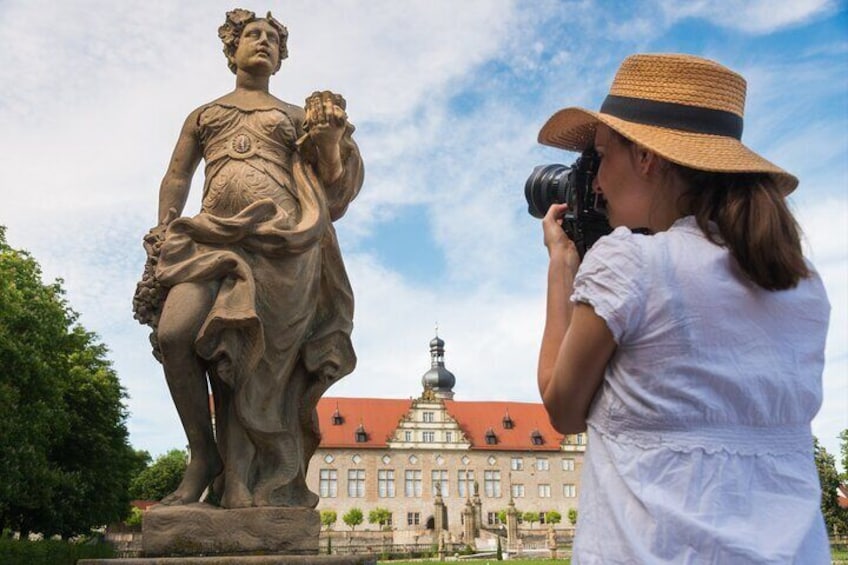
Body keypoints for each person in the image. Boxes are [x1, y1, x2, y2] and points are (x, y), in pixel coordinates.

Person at [535, 53, 830, 563]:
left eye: (602, 156)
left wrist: (563, 265)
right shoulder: (804, 283)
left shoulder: (630, 262)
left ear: (647, 158)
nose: (596, 182)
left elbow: (563, 408)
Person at [133, 9, 363, 509]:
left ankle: (239, 481)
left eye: (273, 39)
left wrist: (329, 143)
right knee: (176, 334)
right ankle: (203, 454)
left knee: (251, 364)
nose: (263, 42)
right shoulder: (204, 114)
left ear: (281, 58)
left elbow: (333, 187)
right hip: (209, 238)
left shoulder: (298, 115)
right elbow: (177, 175)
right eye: (252, 35)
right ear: (231, 49)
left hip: (282, 247)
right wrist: (164, 226)